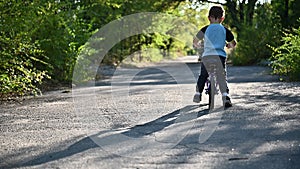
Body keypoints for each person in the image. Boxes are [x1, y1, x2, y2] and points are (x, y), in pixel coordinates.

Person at [193, 5, 236, 107]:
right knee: (221, 75)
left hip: (207, 56)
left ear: (209, 18)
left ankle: (198, 94)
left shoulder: (205, 29)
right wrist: (228, 45)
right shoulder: (224, 30)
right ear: (222, 18)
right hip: (220, 56)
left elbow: (195, 41)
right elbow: (233, 43)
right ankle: (225, 96)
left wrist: (198, 45)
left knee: (203, 75)